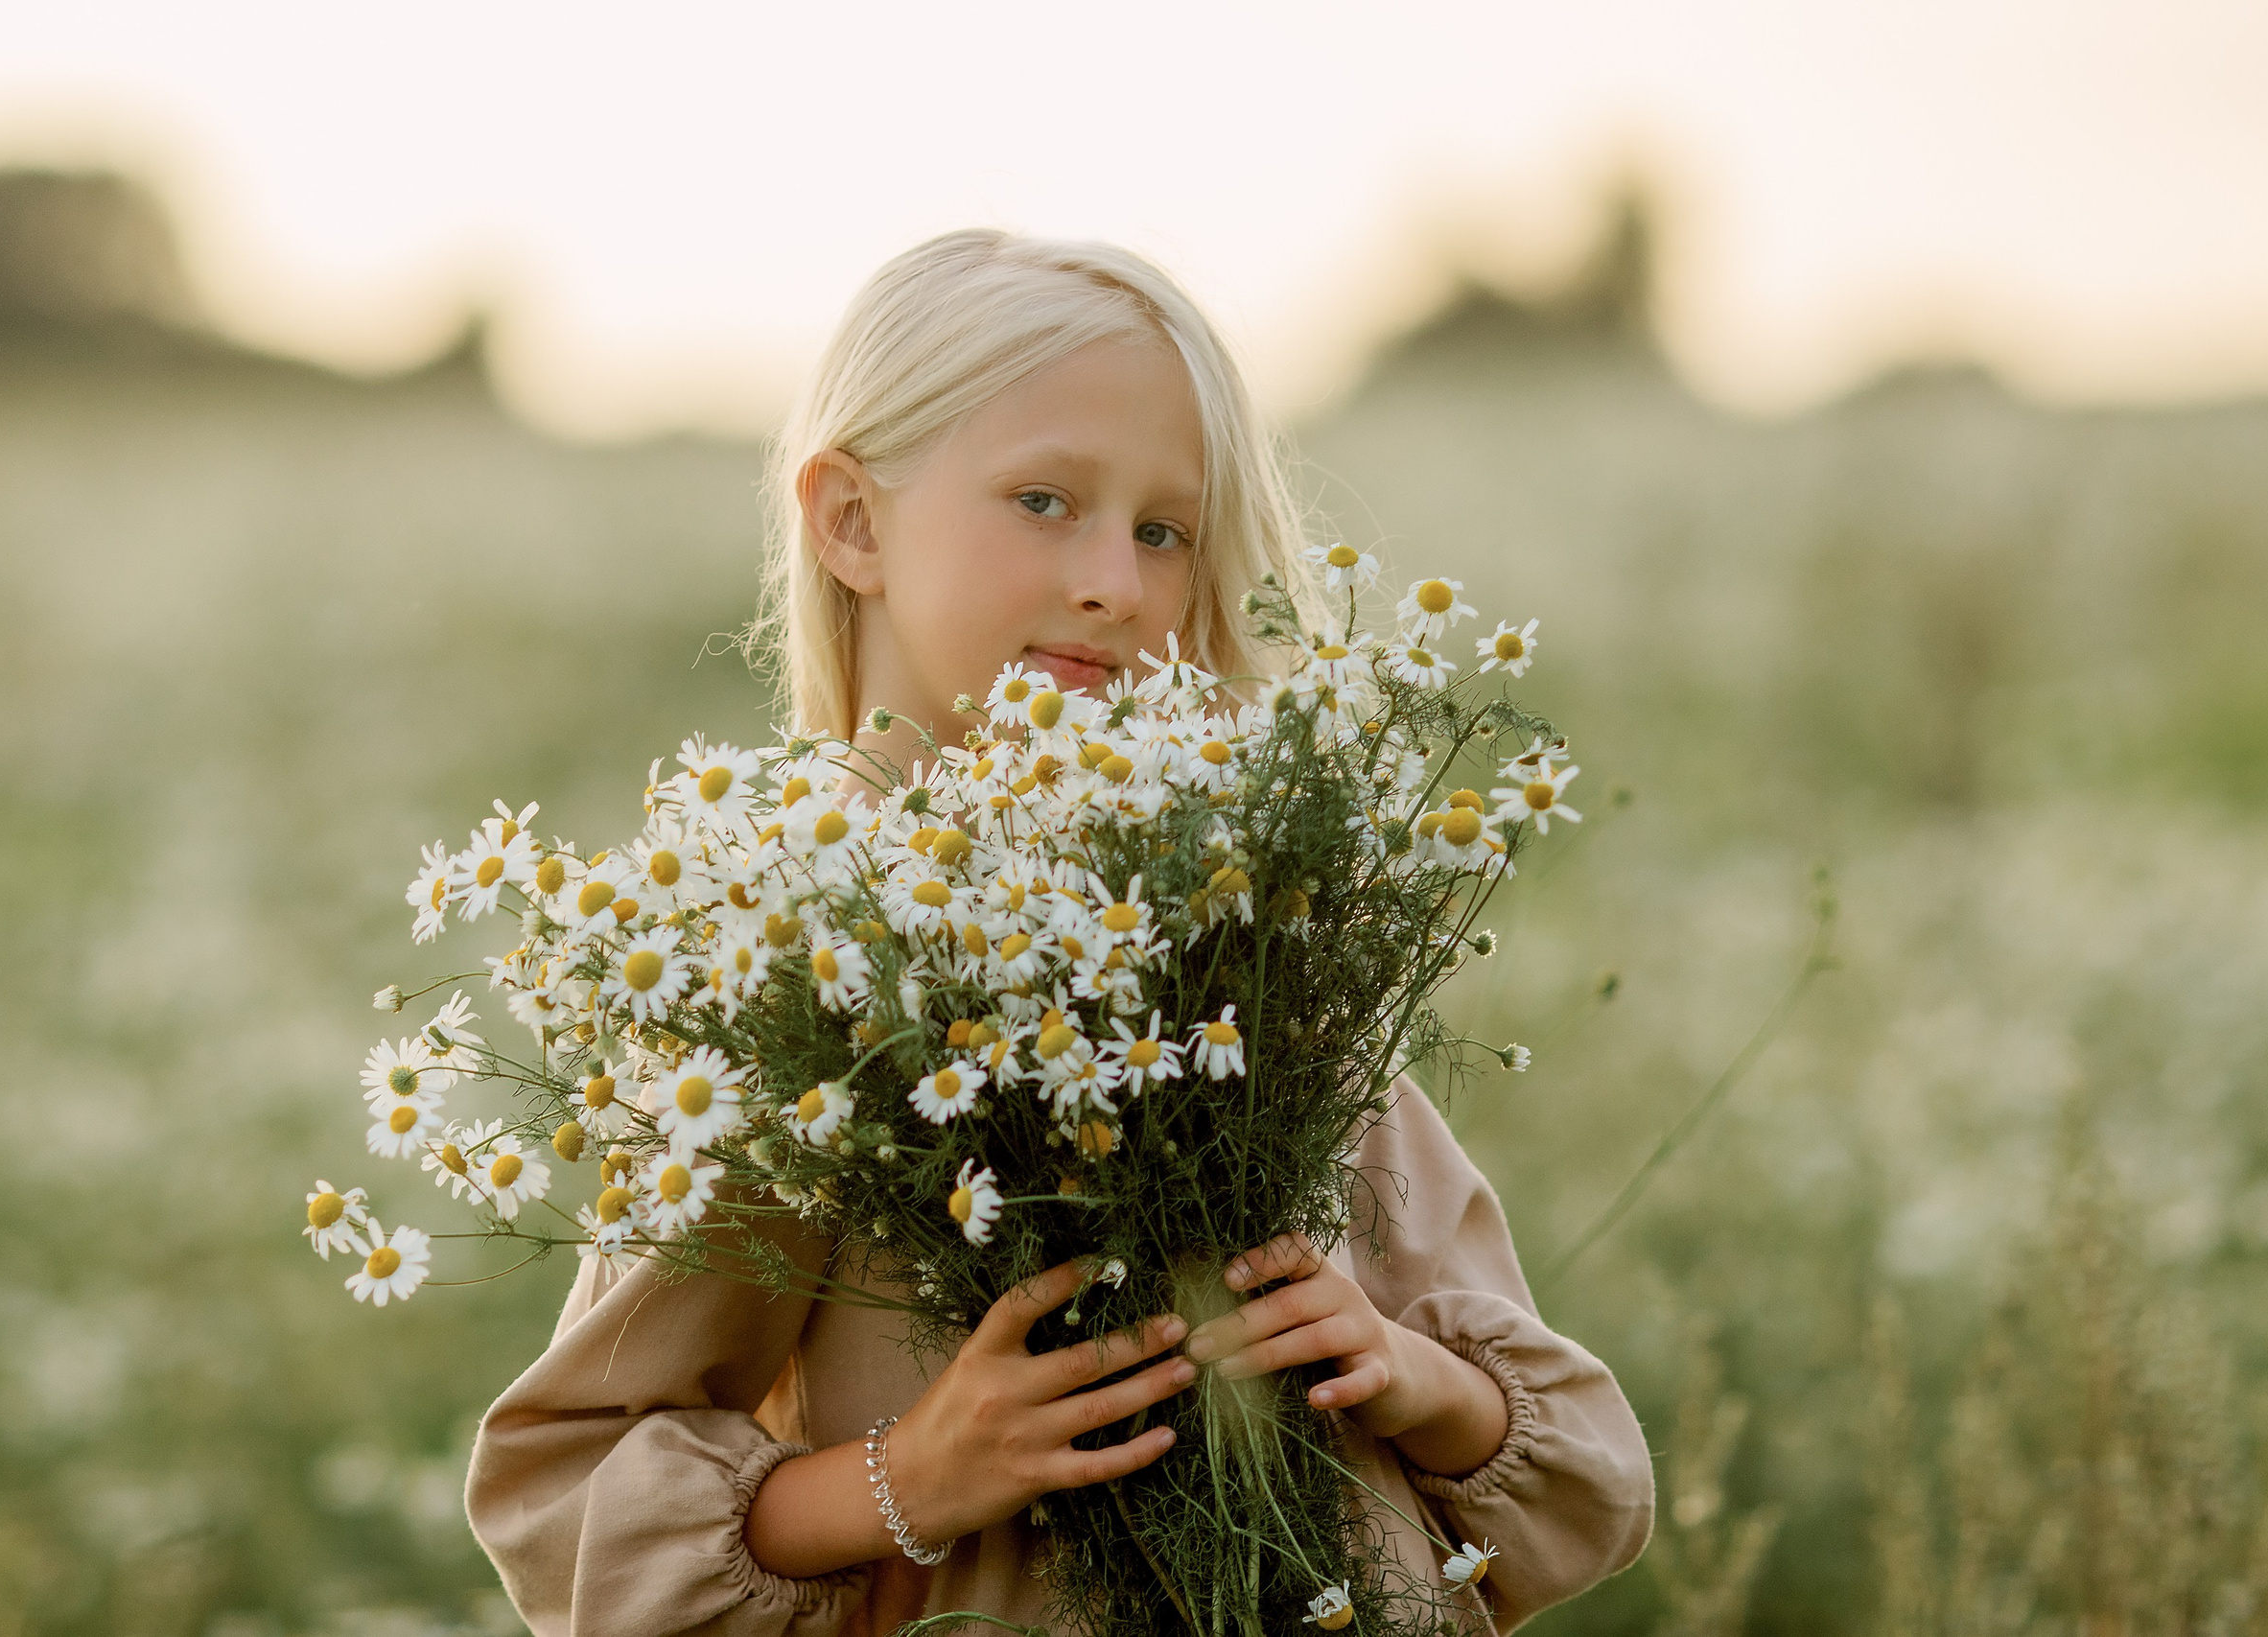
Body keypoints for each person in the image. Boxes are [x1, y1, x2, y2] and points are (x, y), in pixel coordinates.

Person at [463, 228, 1654, 1634]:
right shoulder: (774, 968)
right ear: (851, 521)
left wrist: (1404, 1369)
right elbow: (569, 1504)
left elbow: (1586, 1479)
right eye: (1044, 501)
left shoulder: (1244, 935)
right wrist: (908, 1478)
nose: (1119, 582)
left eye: (1166, 531)